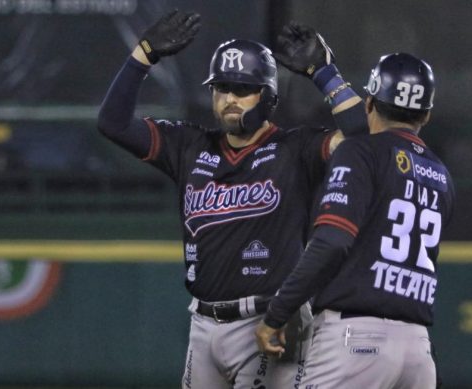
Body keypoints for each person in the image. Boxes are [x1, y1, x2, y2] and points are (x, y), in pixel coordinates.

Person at [97, 11, 366, 389]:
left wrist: (324, 73)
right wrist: (142, 55)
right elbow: (113, 123)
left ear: (268, 96)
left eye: (242, 89)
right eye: (221, 88)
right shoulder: (189, 146)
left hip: (269, 320)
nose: (229, 99)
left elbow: (362, 135)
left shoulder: (295, 149)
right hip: (202, 325)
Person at [256, 51, 455, 389]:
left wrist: (277, 313)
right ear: (428, 114)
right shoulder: (441, 174)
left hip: (358, 339)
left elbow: (332, 242)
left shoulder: (360, 152)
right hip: (418, 352)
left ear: (368, 103)